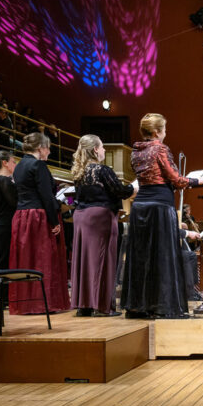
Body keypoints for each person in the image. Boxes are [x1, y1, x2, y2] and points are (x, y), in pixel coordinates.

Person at [122, 113, 203, 319]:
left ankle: (139, 306)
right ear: (156, 132)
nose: (165, 133)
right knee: (163, 256)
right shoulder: (160, 149)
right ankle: (163, 306)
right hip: (160, 207)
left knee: (142, 257)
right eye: (164, 129)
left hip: (140, 207)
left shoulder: (136, 151)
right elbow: (176, 179)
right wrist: (198, 181)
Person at [70, 134, 136, 317]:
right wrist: (134, 188)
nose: (104, 150)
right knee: (103, 259)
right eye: (102, 147)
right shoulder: (102, 170)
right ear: (95, 150)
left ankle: (84, 306)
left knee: (84, 261)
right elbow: (119, 191)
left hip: (81, 217)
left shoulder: (79, 171)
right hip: (99, 218)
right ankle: (101, 306)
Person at [9, 132, 70, 315]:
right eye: (48, 148)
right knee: (43, 258)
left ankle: (26, 303)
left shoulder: (19, 165)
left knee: (27, 258)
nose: (49, 152)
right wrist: (55, 220)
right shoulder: (38, 165)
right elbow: (46, 196)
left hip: (22, 216)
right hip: (38, 216)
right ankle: (43, 302)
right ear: (40, 148)